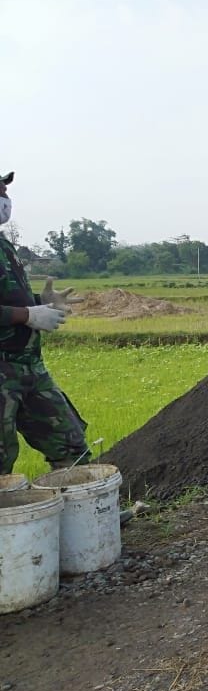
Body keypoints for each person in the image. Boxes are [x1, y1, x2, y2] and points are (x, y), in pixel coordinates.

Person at [0, 171, 90, 475]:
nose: (5, 200)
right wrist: (27, 315)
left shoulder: (5, 246)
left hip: (29, 367)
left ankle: (81, 521)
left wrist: (41, 302)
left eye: (5, 193)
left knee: (71, 446)